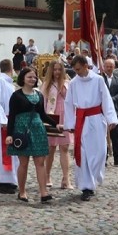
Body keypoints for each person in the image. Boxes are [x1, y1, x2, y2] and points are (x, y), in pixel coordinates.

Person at [63, 55, 118, 201]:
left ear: (86, 65)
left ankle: (94, 177)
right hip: (81, 120)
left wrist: (111, 118)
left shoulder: (98, 80)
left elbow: (106, 99)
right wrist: (69, 124)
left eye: (79, 69)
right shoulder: (74, 82)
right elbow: (68, 104)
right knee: (83, 154)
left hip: (96, 119)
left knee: (100, 152)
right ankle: (86, 187)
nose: (77, 72)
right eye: (75, 70)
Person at [5, 67, 56, 202]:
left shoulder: (39, 95)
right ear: (23, 78)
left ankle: (43, 193)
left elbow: (43, 114)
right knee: (24, 163)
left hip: (38, 129)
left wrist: (56, 124)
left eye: (34, 77)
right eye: (29, 77)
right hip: (21, 130)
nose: (32, 79)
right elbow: (12, 116)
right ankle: (22, 191)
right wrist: (9, 134)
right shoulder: (16, 96)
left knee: (40, 162)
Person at [42, 61, 74, 189]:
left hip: (65, 116)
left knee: (64, 148)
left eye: (59, 70)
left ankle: (66, 179)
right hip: (52, 116)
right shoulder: (46, 85)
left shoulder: (68, 84)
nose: (57, 72)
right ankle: (47, 175)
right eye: (55, 70)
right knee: (51, 148)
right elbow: (43, 103)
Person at [0, 59, 19, 193]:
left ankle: (12, 179)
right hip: (5, 122)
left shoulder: (8, 83)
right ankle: (4, 182)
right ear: (11, 68)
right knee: (5, 153)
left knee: (13, 153)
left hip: (11, 120)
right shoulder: (1, 81)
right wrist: (3, 121)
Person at [102, 58, 118, 165]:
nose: (109, 68)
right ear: (104, 67)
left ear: (114, 67)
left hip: (114, 110)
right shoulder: (100, 79)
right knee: (103, 136)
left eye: (111, 66)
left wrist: (111, 99)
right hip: (102, 111)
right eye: (107, 66)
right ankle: (104, 158)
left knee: (116, 135)